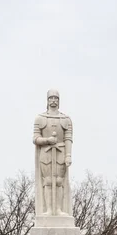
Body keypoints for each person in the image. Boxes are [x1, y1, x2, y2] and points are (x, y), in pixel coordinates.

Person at [33, 89, 73, 217]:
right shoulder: (40, 118)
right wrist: (47, 140)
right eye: (51, 98)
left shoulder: (66, 119)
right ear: (47, 100)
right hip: (46, 153)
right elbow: (35, 138)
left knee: (59, 181)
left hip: (61, 152)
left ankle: (59, 210)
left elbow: (68, 138)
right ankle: (50, 210)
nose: (54, 100)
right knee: (48, 181)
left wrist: (68, 155)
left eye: (56, 98)